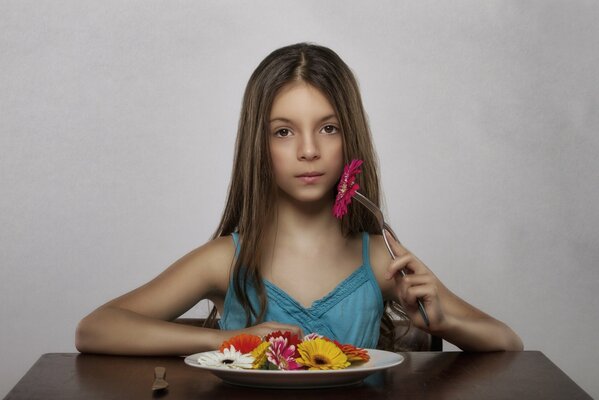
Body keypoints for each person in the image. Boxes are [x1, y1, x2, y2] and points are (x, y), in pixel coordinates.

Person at [75, 43, 523, 355]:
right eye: (283, 131)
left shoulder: (382, 258)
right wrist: (229, 341)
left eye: (328, 128)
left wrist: (443, 322)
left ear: (350, 138)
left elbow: (507, 343)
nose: (308, 150)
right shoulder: (225, 260)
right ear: (259, 144)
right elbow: (95, 329)